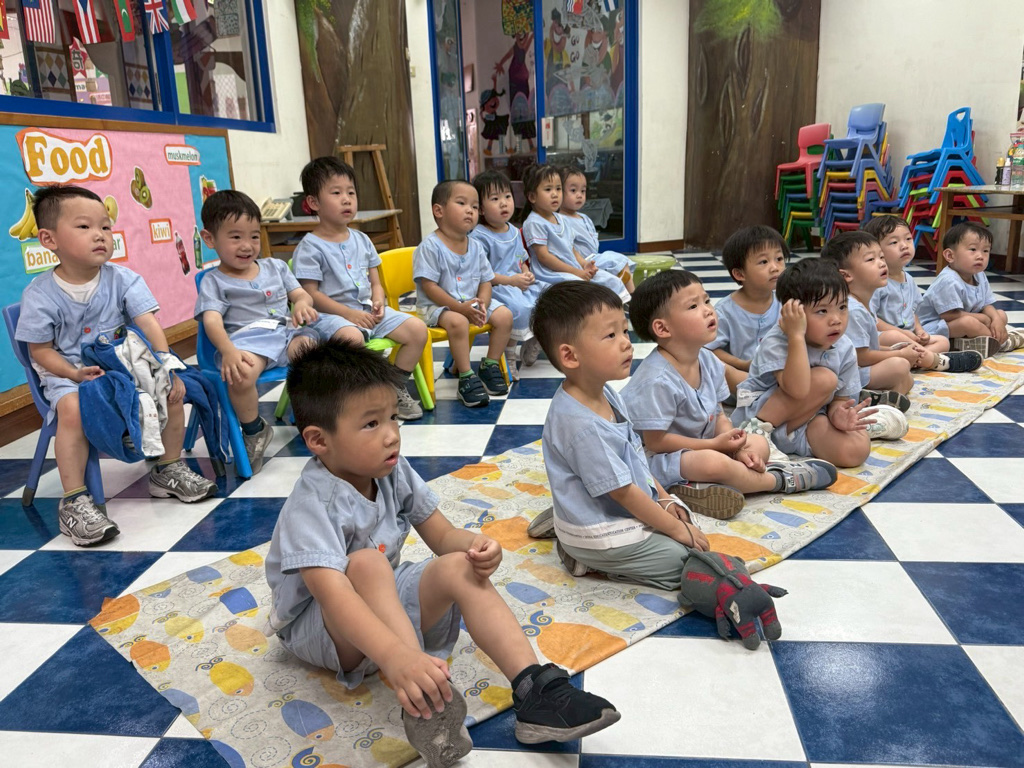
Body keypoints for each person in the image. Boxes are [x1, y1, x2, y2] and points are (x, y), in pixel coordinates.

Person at [265, 340, 620, 765]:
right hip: (320, 629)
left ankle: (534, 690)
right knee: (367, 562)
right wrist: (396, 656)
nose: (392, 434)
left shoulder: (390, 469)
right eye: (371, 423)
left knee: (458, 569)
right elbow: (333, 594)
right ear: (318, 440)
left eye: (393, 417)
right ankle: (422, 693)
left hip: (379, 603)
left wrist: (475, 547)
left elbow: (442, 535)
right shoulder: (313, 503)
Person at [16, 186, 216, 546]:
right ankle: (74, 500)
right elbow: (40, 352)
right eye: (84, 227)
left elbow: (149, 324)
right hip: (68, 373)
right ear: (49, 239)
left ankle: (167, 468)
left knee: (171, 389)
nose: (100, 235)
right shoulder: (40, 294)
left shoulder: (122, 278)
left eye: (105, 227)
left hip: (123, 365)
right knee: (73, 409)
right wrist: (73, 374)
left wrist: (165, 364)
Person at [530, 280, 711, 588]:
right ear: (570, 356)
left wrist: (665, 500)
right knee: (684, 562)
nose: (627, 343)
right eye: (611, 335)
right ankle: (579, 551)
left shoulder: (606, 393)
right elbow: (624, 492)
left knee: (683, 527)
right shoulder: (582, 425)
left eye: (624, 331)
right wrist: (676, 530)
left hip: (612, 507)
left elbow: (635, 456)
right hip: (600, 534)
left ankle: (566, 519)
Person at [621, 270, 837, 520]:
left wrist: (736, 446)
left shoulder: (707, 360)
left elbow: (719, 414)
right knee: (714, 463)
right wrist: (715, 446)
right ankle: (778, 480)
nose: (708, 310)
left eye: (706, 300)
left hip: (701, 446)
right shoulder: (657, 380)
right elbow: (656, 443)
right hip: (656, 459)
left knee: (758, 444)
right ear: (662, 328)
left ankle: (695, 487)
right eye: (693, 306)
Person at [195, 190, 356, 474]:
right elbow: (212, 322)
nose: (247, 246)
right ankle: (254, 430)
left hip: (287, 333)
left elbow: (301, 294)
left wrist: (301, 305)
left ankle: (317, 415)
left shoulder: (276, 267)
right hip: (250, 343)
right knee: (241, 374)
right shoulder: (214, 281)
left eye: (254, 236)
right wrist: (228, 351)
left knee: (315, 358)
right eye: (236, 237)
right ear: (209, 239)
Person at [731, 258, 908, 469]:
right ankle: (759, 431)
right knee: (825, 379)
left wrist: (839, 415)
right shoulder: (778, 341)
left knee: (856, 452)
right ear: (792, 312)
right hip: (761, 416)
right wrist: (796, 335)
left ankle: (864, 425)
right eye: (822, 311)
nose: (836, 319)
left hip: (807, 419)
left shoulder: (844, 346)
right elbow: (797, 389)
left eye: (842, 307)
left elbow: (841, 398)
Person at [294, 156, 428, 420]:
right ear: (314, 203)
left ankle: (394, 385)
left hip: (366, 311)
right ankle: (361, 396)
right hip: (329, 317)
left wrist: (378, 301)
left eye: (351, 192)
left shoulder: (362, 239)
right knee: (352, 338)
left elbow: (375, 281)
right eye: (336, 193)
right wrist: (348, 314)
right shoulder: (309, 247)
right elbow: (311, 295)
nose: (346, 199)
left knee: (417, 330)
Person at [413, 180, 512, 407]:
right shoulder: (429, 247)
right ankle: (466, 377)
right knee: (458, 322)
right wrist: (460, 308)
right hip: (437, 307)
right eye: (461, 203)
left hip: (471, 303)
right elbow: (430, 287)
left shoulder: (475, 246)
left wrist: (482, 304)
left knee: (505, 316)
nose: (470, 210)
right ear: (439, 211)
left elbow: (486, 280)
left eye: (475, 206)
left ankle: (490, 364)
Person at [861, 215, 976, 371]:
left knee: (943, 341)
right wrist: (902, 333)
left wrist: (920, 331)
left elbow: (913, 312)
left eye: (908, 239)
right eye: (894, 242)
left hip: (909, 337)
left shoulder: (908, 279)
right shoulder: (876, 282)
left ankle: (914, 359)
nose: (904, 246)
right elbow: (872, 320)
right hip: (884, 337)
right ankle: (932, 359)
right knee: (895, 336)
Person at [820, 231, 919, 409]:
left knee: (907, 379)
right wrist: (898, 354)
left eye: (881, 257)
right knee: (900, 365)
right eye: (870, 259)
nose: (881, 263)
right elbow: (861, 356)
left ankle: (877, 400)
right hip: (846, 375)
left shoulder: (863, 303)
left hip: (856, 369)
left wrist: (893, 349)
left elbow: (867, 346)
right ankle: (860, 400)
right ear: (846, 275)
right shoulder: (852, 309)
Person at [470, 170, 544, 377]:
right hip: (496, 288)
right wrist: (512, 280)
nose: (503, 203)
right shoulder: (478, 237)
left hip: (517, 282)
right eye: (495, 199)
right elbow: (482, 275)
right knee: (517, 307)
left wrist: (526, 273)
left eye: (507, 196)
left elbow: (521, 259)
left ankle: (535, 338)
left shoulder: (513, 231)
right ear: (481, 209)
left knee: (549, 296)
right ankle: (509, 354)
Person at [520, 164, 630, 303]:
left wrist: (584, 264)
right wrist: (576, 272)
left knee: (611, 281)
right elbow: (544, 257)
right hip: (552, 273)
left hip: (573, 268)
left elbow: (571, 248)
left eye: (558, 188)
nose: (555, 194)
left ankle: (622, 311)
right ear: (532, 197)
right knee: (585, 289)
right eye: (548, 189)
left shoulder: (561, 219)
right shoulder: (534, 222)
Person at [918, 222, 1024, 357]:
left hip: (961, 321)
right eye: (973, 249)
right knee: (969, 323)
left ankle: (970, 342)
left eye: (985, 251)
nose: (980, 256)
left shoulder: (979, 275)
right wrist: (982, 318)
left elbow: (986, 305)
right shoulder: (948, 280)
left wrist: (996, 319)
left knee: (1000, 315)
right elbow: (948, 315)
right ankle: (1000, 344)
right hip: (934, 327)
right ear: (950, 256)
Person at [707, 226, 785, 395]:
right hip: (742, 378)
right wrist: (742, 364)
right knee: (718, 369)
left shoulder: (785, 303)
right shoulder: (724, 311)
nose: (775, 267)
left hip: (778, 374)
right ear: (739, 274)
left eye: (779, 258)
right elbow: (709, 349)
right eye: (763, 262)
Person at [558, 165, 636, 295]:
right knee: (616, 260)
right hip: (582, 262)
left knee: (621, 262)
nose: (579, 195)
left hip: (594, 259)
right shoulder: (560, 221)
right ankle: (631, 294)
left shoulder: (584, 218)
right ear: (559, 192)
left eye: (583, 191)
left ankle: (629, 294)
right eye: (573, 190)